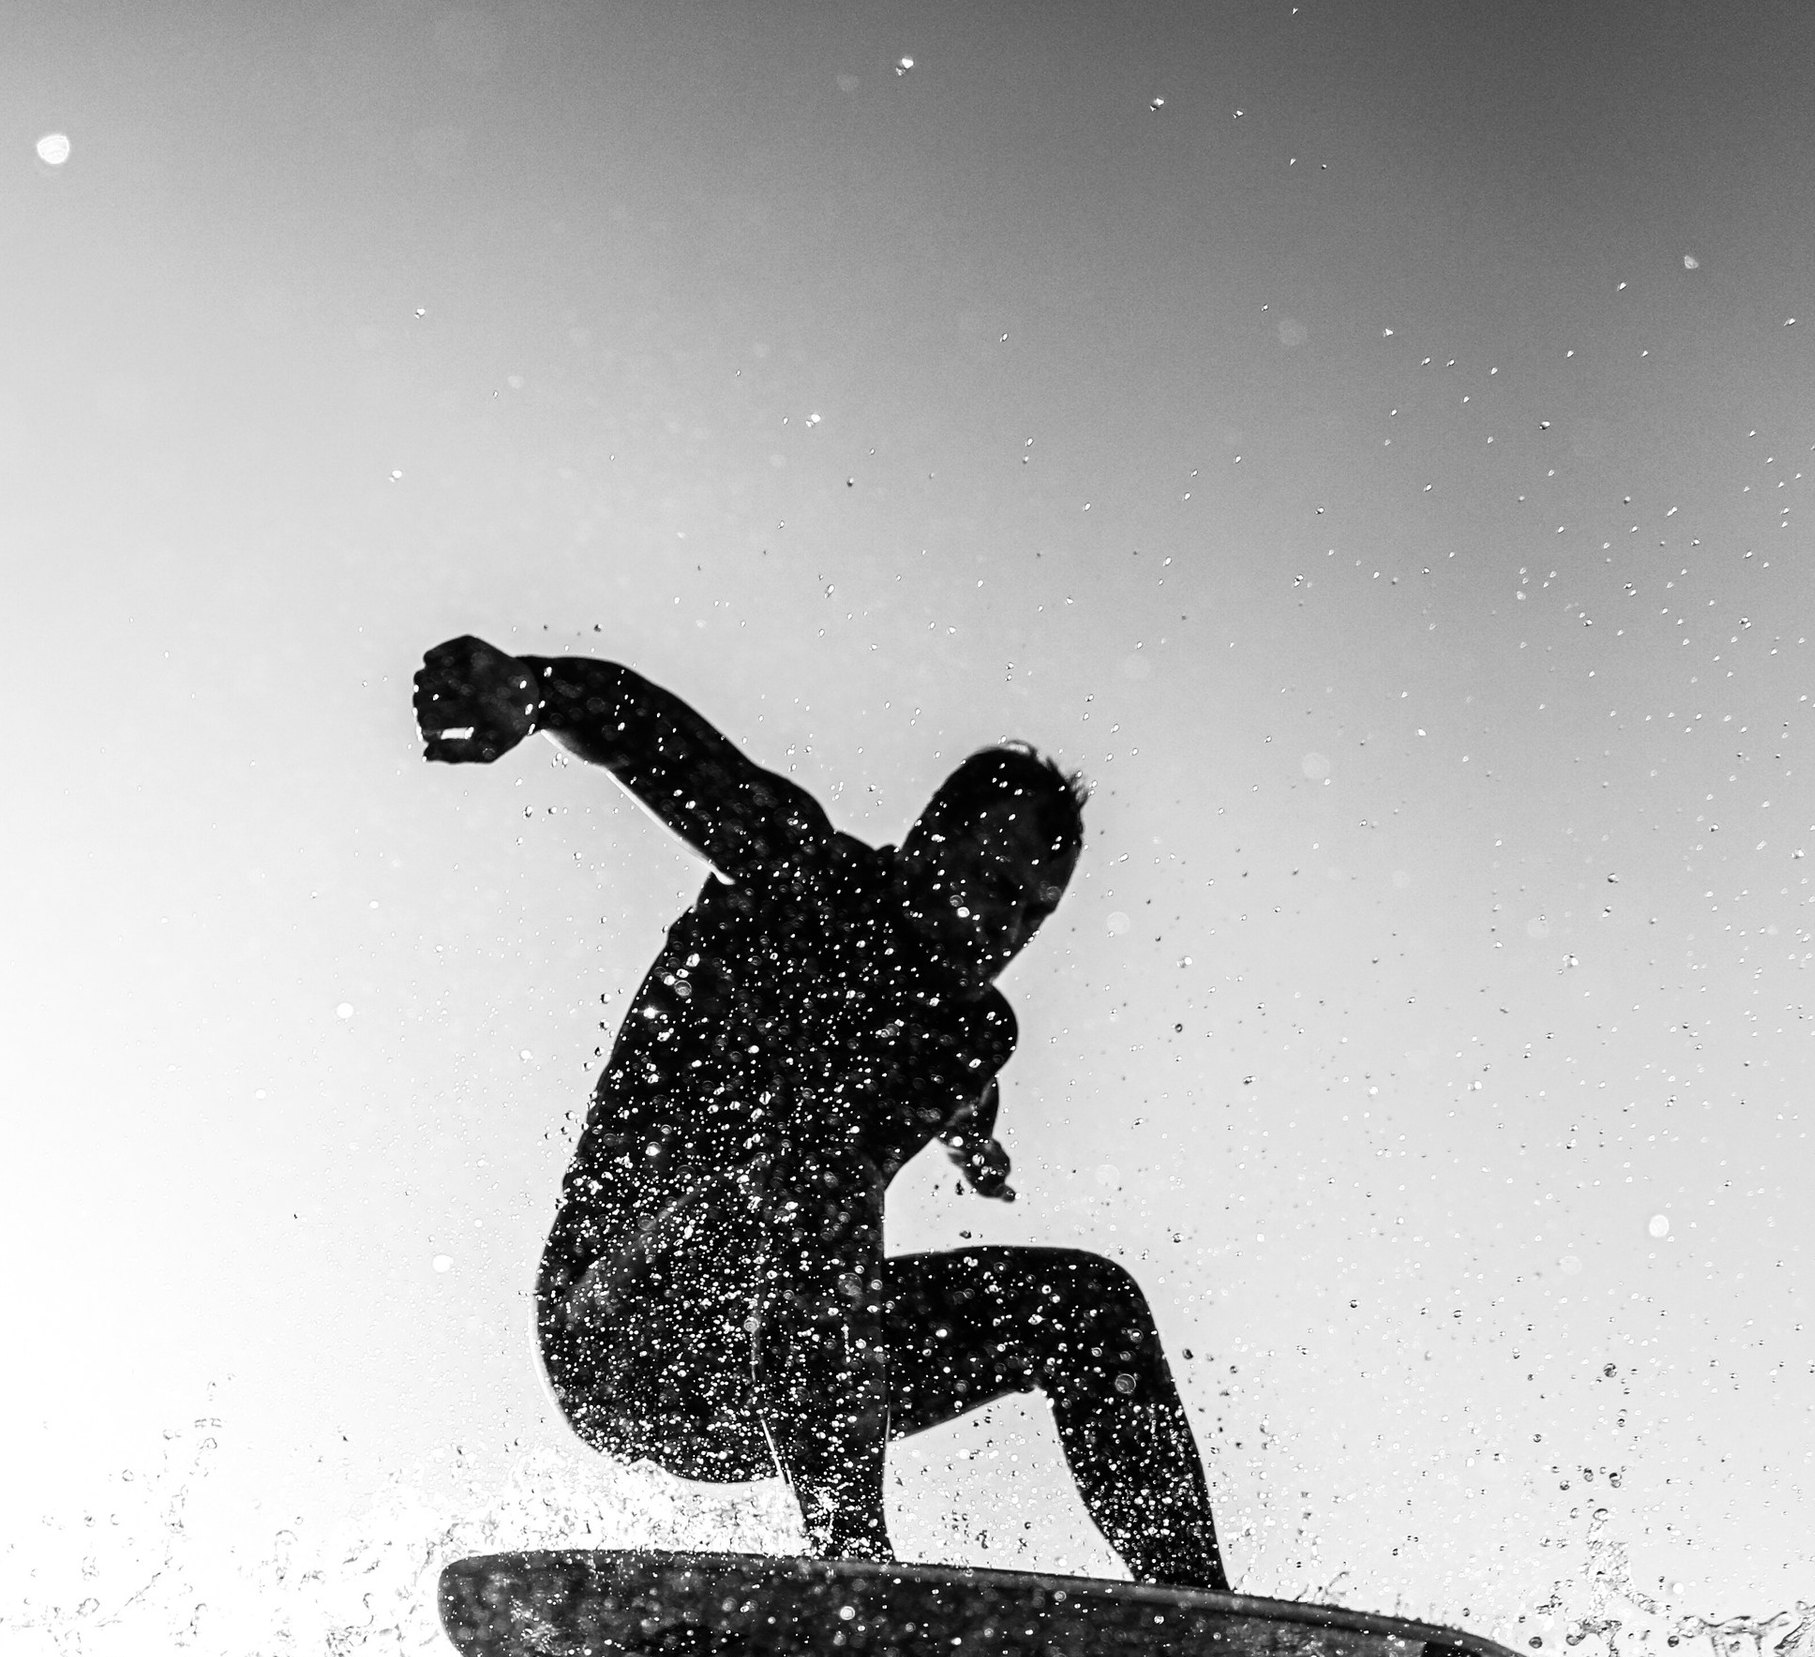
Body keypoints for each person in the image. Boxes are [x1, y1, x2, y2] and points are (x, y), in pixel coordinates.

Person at [412, 633, 1229, 1595]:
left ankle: (1201, 1618)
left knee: (1090, 1306)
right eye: (996, 887)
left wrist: (973, 1129)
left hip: (774, 1380)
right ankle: (852, 1562)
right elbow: (669, 752)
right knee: (816, 1166)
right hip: (621, 1326)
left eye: (1033, 914)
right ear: (926, 846)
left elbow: (945, 1074)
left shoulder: (969, 1030)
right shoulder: (805, 877)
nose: (1006, 930)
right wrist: (539, 690)